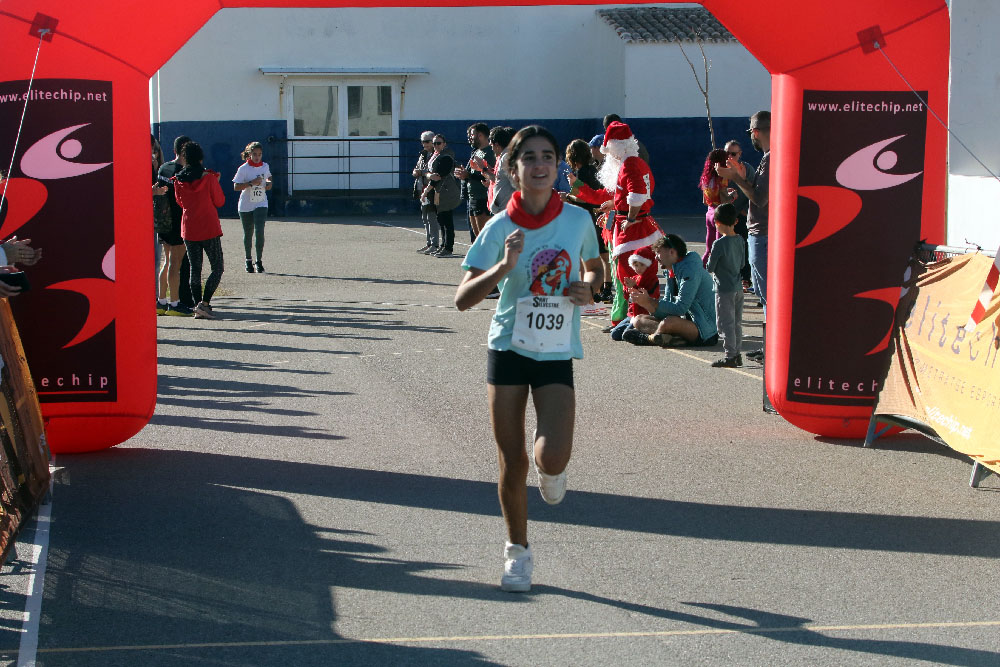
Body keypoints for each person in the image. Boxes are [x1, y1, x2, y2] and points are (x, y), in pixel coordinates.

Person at [455, 126, 603, 593]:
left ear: (557, 164)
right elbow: (463, 299)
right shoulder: (499, 227)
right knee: (511, 460)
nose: (540, 165)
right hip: (508, 349)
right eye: (530, 158)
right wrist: (502, 268)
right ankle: (517, 552)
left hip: (556, 351)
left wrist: (590, 286)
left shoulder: (579, 220)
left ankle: (552, 469)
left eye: (548, 156)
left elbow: (595, 267)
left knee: (551, 454)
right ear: (513, 168)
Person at [573, 121, 662, 334]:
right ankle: (631, 317)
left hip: (632, 231)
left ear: (615, 147)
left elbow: (637, 194)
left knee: (627, 276)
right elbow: (615, 194)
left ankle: (632, 319)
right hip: (637, 228)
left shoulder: (629, 164)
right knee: (634, 277)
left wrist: (630, 217)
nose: (606, 156)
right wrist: (579, 189)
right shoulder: (633, 163)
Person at [718, 111, 770, 361]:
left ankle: (772, 349)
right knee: (764, 292)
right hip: (760, 233)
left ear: (757, 133)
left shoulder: (770, 159)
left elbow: (760, 198)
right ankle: (771, 346)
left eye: (751, 132)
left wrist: (737, 179)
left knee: (766, 294)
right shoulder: (766, 159)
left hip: (763, 233)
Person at [624, 234, 718, 348]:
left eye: (658, 252)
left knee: (669, 322)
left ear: (672, 252)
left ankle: (650, 338)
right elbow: (667, 309)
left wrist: (651, 301)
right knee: (638, 320)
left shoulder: (690, 271)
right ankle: (672, 339)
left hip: (705, 330)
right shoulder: (671, 271)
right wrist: (648, 305)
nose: (656, 257)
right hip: (682, 323)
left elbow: (680, 308)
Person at [173, 141, 225, 320]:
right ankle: (205, 302)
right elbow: (219, 201)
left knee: (195, 269)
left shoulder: (179, 180)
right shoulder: (209, 178)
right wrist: (216, 183)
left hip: (189, 228)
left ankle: (197, 305)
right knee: (217, 267)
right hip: (209, 227)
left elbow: (180, 203)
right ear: (201, 158)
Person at [562, 138, 612, 302]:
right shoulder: (594, 170)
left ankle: (591, 293)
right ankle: (605, 288)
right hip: (599, 214)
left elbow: (585, 198)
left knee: (588, 257)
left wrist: (567, 197)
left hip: (587, 216)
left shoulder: (581, 174)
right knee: (603, 255)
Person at [157, 135, 195, 317]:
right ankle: (175, 303)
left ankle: (161, 301)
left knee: (166, 261)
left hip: (163, 221)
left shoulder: (164, 168)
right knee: (175, 263)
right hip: (178, 220)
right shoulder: (184, 171)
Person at [705, 203, 745, 367]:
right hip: (737, 286)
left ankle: (730, 355)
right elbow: (742, 263)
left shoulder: (719, 244)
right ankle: (737, 353)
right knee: (736, 322)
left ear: (717, 223)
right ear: (735, 221)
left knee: (724, 323)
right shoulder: (740, 239)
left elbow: (710, 267)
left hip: (723, 289)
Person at [232, 141, 272, 274]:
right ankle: (248, 259)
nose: (257, 157)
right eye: (255, 154)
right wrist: (250, 183)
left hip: (260, 202)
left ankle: (259, 261)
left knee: (259, 231)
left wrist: (267, 184)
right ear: (249, 154)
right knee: (248, 232)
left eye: (259, 154)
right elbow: (236, 187)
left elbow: (269, 181)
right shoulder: (243, 169)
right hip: (246, 204)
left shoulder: (265, 166)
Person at [454, 123, 495, 243]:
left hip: (483, 197)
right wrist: (465, 174)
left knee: (484, 237)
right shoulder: (476, 152)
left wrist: (468, 175)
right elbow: (472, 173)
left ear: (480, 135)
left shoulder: (489, 153)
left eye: (472, 135)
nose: (470, 138)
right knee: (476, 238)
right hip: (472, 197)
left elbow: (490, 177)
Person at [422, 134, 460, 257]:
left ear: (444, 144)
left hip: (446, 191)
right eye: (434, 143)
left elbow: (437, 176)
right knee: (441, 219)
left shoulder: (446, 157)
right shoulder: (434, 156)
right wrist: (428, 175)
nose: (436, 146)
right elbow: (427, 172)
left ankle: (448, 247)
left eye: (439, 143)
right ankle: (443, 245)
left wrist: (426, 191)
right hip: (438, 192)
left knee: (447, 220)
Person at [723, 139, 753, 291]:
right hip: (723, 216)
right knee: (725, 249)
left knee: (744, 248)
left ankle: (745, 278)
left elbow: (754, 189)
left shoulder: (746, 169)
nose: (729, 156)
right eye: (727, 153)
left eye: (733, 154)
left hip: (740, 215)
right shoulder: (720, 170)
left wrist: (744, 211)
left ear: (739, 154)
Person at [699, 148, 736, 267]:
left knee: (709, 249)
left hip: (709, 213)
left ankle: (700, 271)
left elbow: (705, 201)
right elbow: (725, 201)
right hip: (719, 215)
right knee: (720, 249)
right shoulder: (722, 179)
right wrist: (733, 196)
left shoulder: (706, 179)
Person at [412, 131, 440, 254]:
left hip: (432, 189)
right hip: (421, 188)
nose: (425, 144)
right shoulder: (423, 155)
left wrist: (421, 172)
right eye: (423, 141)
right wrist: (416, 172)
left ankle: (435, 244)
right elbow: (417, 169)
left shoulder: (437, 155)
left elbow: (433, 172)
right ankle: (429, 243)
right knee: (425, 217)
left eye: (427, 141)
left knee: (432, 217)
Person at [482, 126, 516, 215]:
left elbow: (517, 183)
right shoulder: (504, 156)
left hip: (507, 209)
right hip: (503, 208)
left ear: (496, 145)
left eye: (492, 145)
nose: (491, 149)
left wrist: (484, 168)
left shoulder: (506, 158)